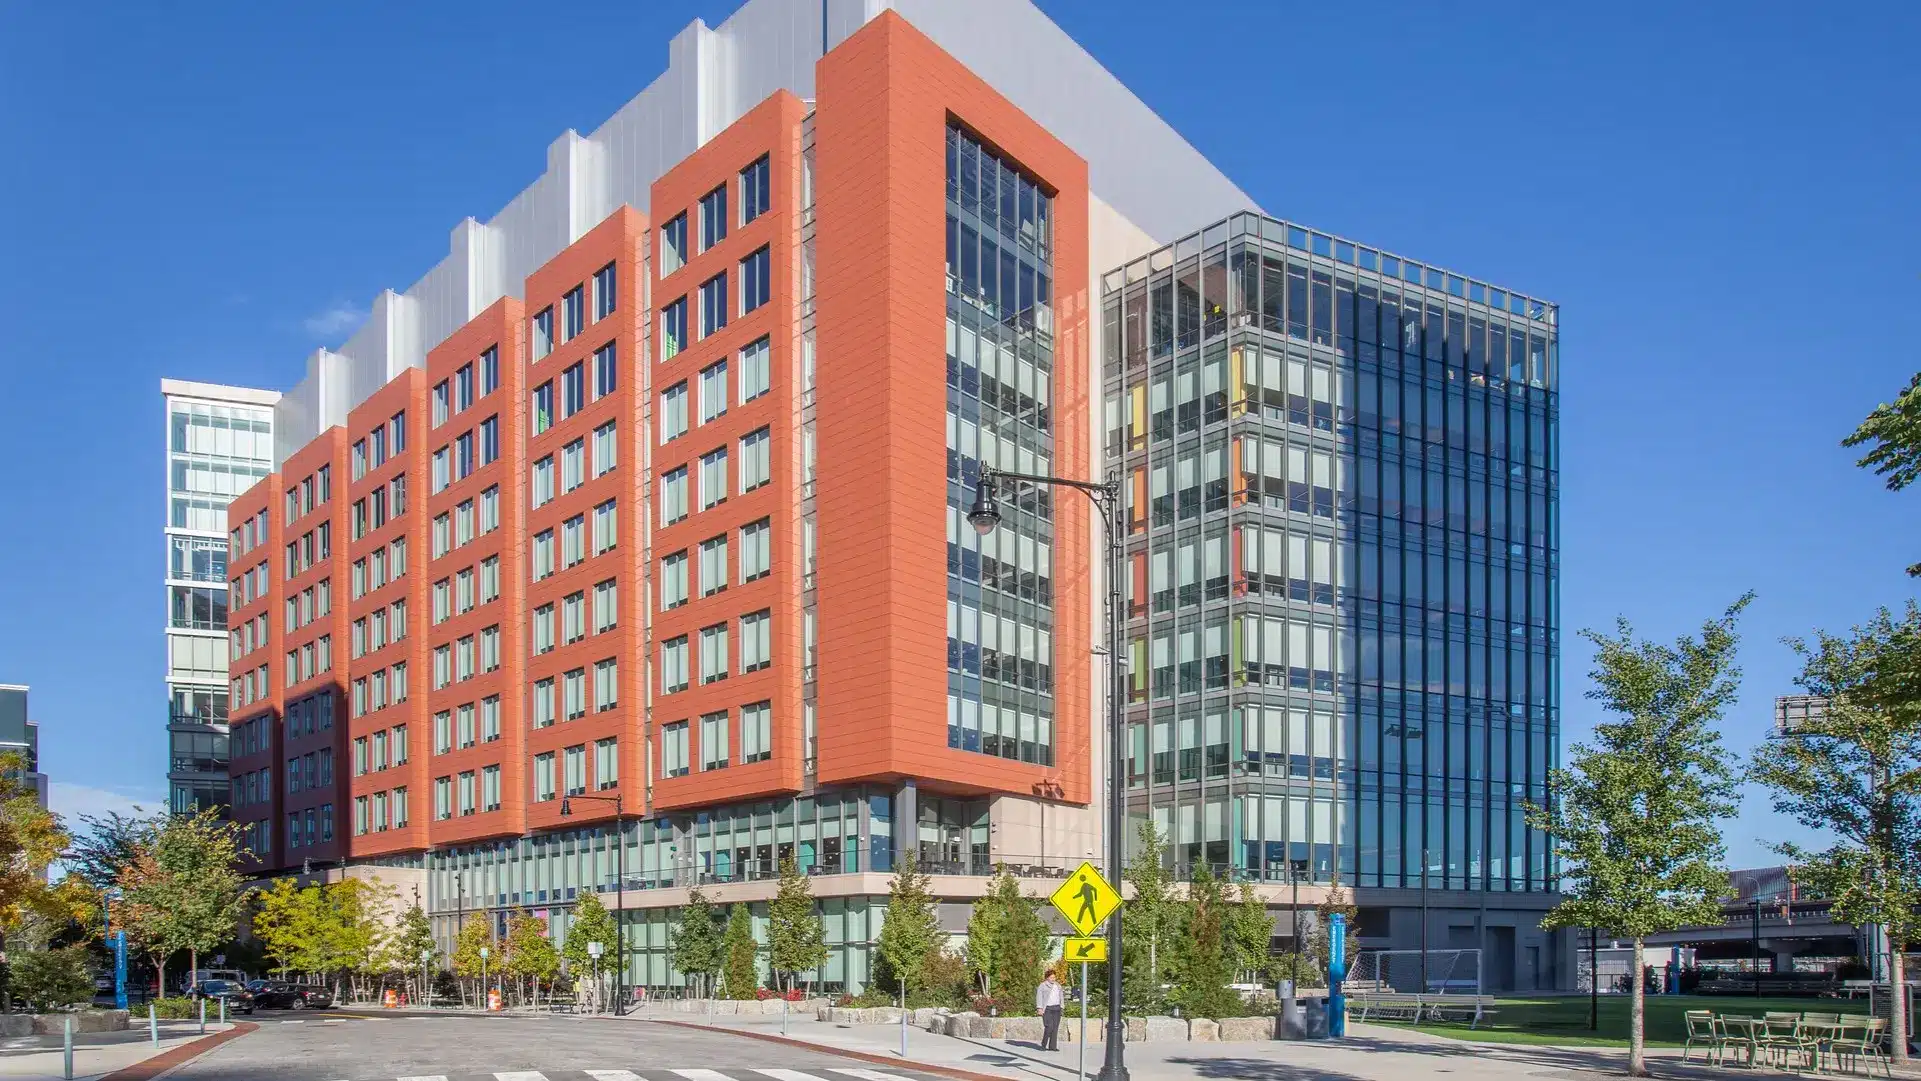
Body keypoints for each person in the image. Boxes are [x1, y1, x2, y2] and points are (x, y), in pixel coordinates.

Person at [1036, 968, 1065, 1051]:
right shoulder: (1042, 985)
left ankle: (1053, 1047)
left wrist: (1062, 1006)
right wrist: (1039, 1008)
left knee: (1055, 1027)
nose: (1053, 979)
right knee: (1049, 1027)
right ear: (1047, 977)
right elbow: (1039, 997)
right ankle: (1044, 1044)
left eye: (1054, 977)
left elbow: (1061, 997)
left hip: (1057, 1008)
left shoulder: (1058, 985)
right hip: (1047, 1009)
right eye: (1051, 977)